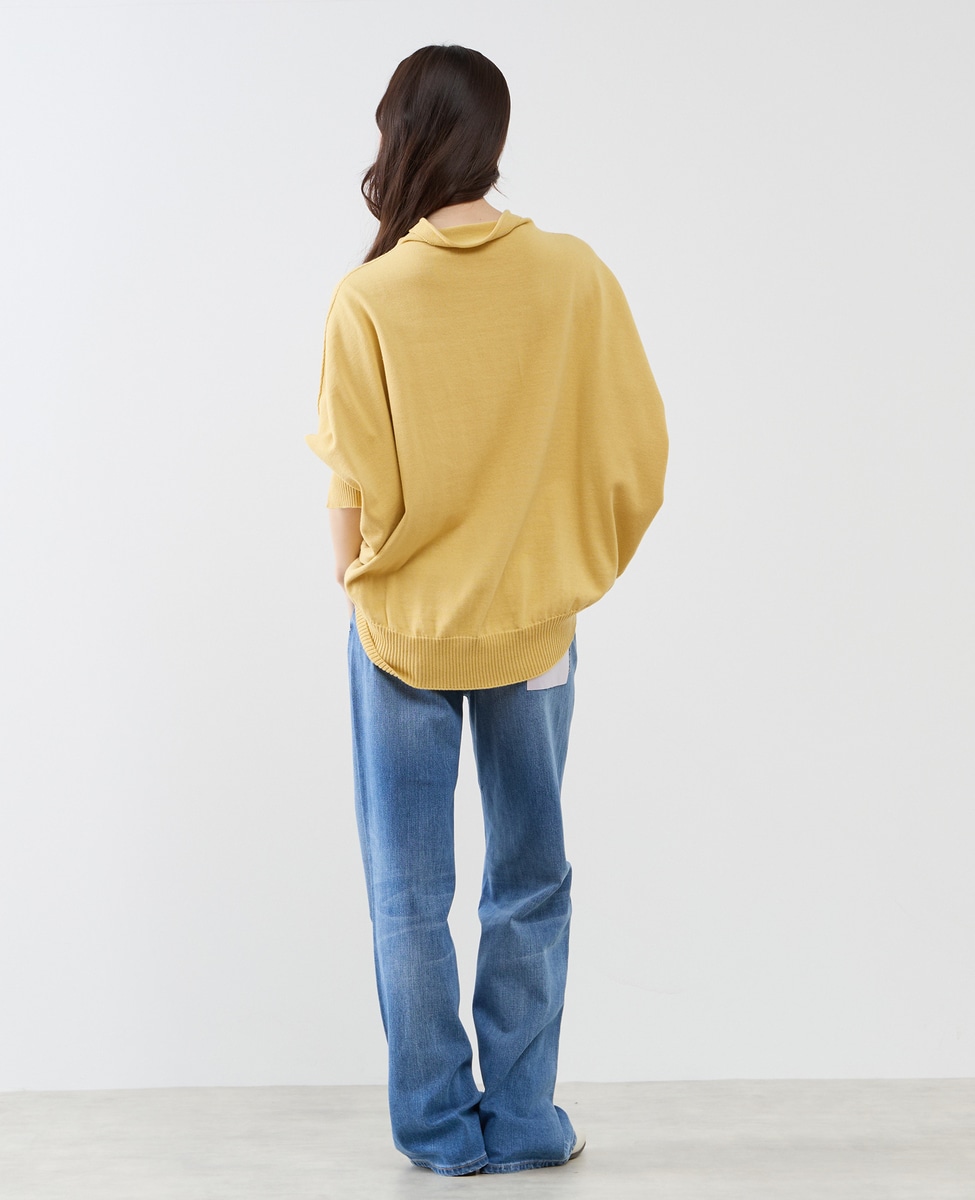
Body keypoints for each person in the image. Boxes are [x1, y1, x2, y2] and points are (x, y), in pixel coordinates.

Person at [305, 43, 668, 1177]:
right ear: (493, 139)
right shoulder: (572, 275)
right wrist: (570, 567)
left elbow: (351, 484)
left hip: (400, 630)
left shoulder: (369, 295)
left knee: (408, 894)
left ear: (400, 137)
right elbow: (638, 451)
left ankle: (435, 1130)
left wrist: (362, 581)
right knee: (532, 878)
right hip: (534, 629)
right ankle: (520, 1122)